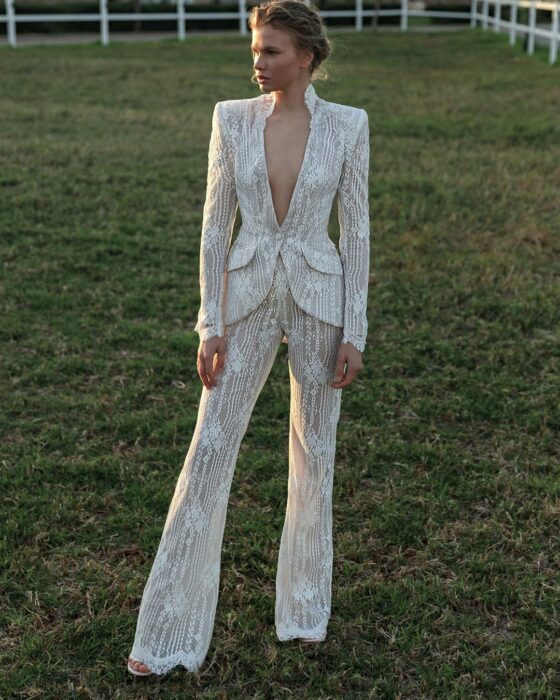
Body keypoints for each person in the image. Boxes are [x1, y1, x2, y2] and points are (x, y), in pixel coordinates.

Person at [127, 0, 370, 677]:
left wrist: (356, 329)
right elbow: (213, 230)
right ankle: (166, 633)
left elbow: (358, 232)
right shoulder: (230, 119)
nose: (257, 63)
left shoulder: (350, 126)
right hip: (246, 298)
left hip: (321, 299)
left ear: (308, 57)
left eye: (271, 52)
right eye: (255, 50)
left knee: (314, 454)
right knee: (209, 449)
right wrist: (211, 323)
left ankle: (303, 611)